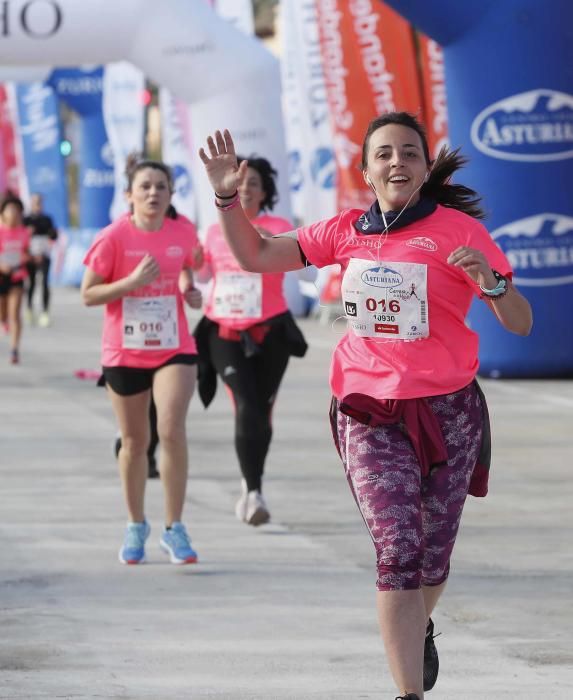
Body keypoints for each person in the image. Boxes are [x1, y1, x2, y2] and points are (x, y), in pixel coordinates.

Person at [198, 114, 533, 699]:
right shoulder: (344, 231)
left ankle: (418, 624)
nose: (397, 161)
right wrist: (228, 196)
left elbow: (521, 323)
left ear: (426, 168)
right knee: (398, 549)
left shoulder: (460, 232)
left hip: (449, 410)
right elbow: (255, 254)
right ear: (366, 171)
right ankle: (409, 694)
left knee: (434, 556)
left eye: (409, 152)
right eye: (384, 154)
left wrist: (494, 284)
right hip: (367, 411)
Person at [81, 157, 203, 566]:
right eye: (145, 186)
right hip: (125, 350)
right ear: (129, 194)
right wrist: (132, 283)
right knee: (135, 442)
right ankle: (136, 524)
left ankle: (175, 527)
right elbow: (88, 294)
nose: (154, 193)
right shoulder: (113, 237)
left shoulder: (182, 231)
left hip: (174, 346)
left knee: (171, 429)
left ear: (171, 194)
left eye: (161, 187)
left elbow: (189, 265)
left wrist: (189, 290)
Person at [193, 156, 307, 526]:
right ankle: (255, 492)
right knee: (245, 404)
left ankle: (248, 483)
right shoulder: (214, 230)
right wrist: (194, 267)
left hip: (271, 329)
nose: (245, 187)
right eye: (239, 181)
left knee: (263, 410)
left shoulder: (278, 227)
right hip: (224, 329)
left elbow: (291, 263)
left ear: (264, 189)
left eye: (253, 182)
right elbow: (205, 272)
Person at [0, 193, 31, 364]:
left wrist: (27, 257)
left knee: (15, 314)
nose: (13, 213)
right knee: (3, 312)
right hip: (1, 276)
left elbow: (27, 252)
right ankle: (2, 321)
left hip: (17, 275)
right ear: (3, 212)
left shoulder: (24, 232)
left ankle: (14, 349)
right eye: (10, 209)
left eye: (16, 210)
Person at [24, 193, 58, 327]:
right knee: (31, 283)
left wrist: (52, 233)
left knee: (44, 283)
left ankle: (45, 311)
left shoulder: (47, 219)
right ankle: (29, 308)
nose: (37, 205)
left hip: (44, 255)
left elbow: (53, 236)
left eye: (39, 202)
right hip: (31, 256)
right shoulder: (25, 219)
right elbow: (22, 238)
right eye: (34, 202)